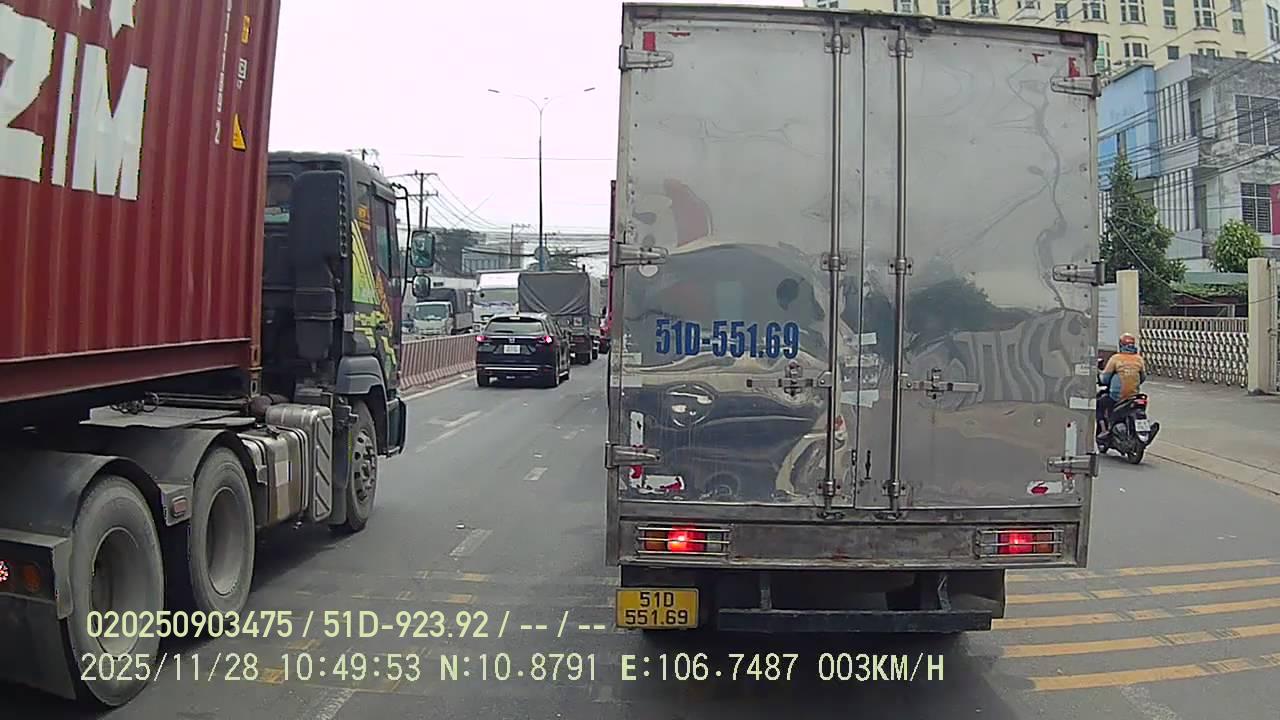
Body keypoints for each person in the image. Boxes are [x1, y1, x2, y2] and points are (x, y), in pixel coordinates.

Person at [1097, 333, 1146, 439]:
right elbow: (1142, 378)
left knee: (1100, 404)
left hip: (1117, 396)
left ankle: (1104, 430)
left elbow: (1105, 379)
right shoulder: (1139, 359)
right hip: (1133, 396)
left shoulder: (1116, 359)